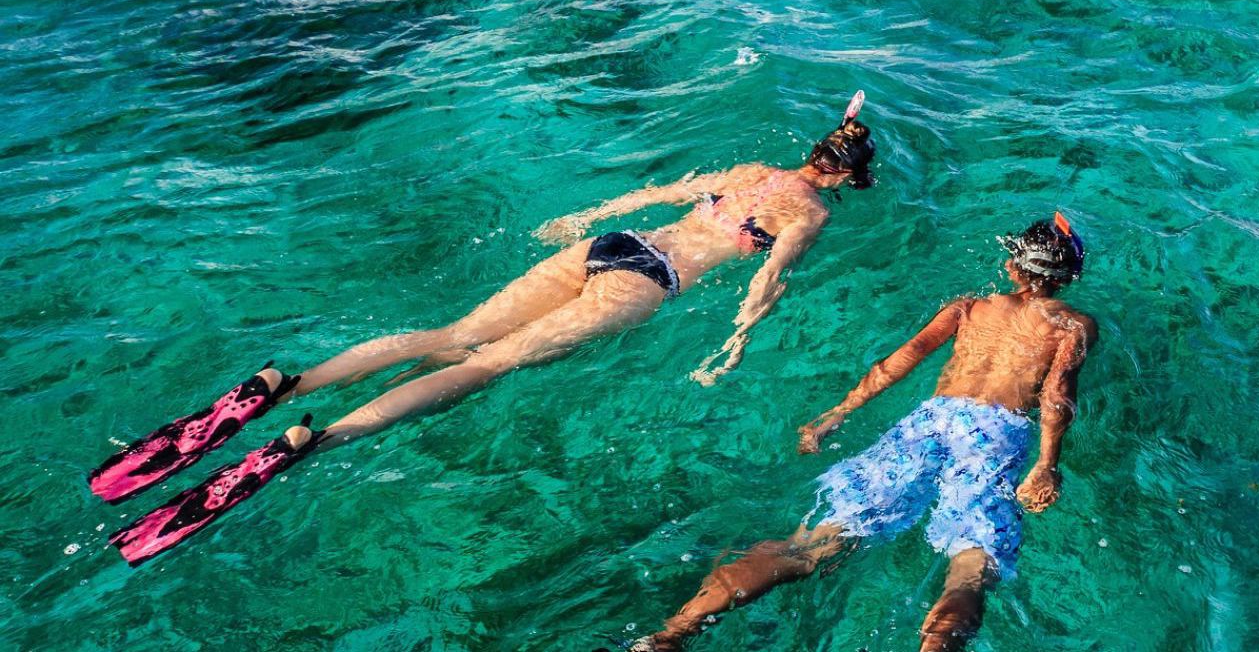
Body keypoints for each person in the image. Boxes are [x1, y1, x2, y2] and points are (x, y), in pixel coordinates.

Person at [91, 94, 878, 566]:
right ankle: (317, 439)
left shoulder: (747, 173)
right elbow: (768, 282)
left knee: (453, 331)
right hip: (652, 280)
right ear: (844, 178)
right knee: (486, 367)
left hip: (610, 247)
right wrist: (731, 345)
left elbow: (655, 191)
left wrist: (583, 217)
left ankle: (285, 386)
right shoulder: (806, 213)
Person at [626, 213, 1097, 652]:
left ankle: (673, 633)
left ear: (1012, 266)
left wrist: (839, 411)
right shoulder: (1072, 324)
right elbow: (1057, 396)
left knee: (806, 548)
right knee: (970, 570)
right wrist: (1045, 465)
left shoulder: (969, 308)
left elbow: (902, 358)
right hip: (994, 434)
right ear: (1066, 277)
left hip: (929, 421)